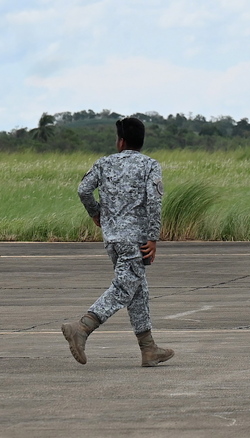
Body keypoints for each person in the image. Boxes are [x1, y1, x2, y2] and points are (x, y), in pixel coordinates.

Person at [61, 117, 174, 367]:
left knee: (137, 291)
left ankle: (149, 348)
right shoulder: (150, 166)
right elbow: (154, 203)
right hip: (135, 240)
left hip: (112, 239)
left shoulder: (103, 163)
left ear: (121, 141)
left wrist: (95, 213)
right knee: (124, 288)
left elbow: (83, 190)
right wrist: (153, 238)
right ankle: (82, 327)